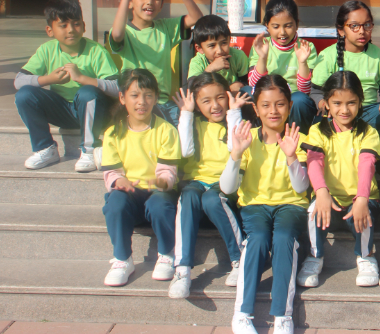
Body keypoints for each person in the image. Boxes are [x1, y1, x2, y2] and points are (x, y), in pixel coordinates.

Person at [220, 75, 309, 334]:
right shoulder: (246, 138)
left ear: (290, 106)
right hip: (255, 206)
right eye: (266, 105)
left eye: (280, 104)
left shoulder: (298, 138)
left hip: (291, 205)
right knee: (257, 239)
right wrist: (236, 153)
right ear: (256, 109)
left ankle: (283, 315)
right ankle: (241, 314)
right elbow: (227, 188)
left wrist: (291, 157)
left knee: (283, 239)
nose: (273, 111)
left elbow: (301, 188)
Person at [297, 71, 380, 289]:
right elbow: (314, 162)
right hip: (330, 200)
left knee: (364, 212)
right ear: (326, 103)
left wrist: (362, 198)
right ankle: (315, 256)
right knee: (313, 209)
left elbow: (367, 164)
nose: (344, 110)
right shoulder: (317, 131)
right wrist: (321, 192)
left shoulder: (368, 132)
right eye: (337, 103)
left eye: (351, 103)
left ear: (360, 102)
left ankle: (366, 255)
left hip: (360, 200)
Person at [14, 0, 119, 172]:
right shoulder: (46, 50)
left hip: (93, 113)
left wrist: (82, 78)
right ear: (50, 30)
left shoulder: (96, 51)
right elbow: (19, 81)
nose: (71, 30)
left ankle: (89, 149)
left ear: (84, 26)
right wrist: (49, 79)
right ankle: (45, 148)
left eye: (76, 24)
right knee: (24, 95)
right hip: (62, 111)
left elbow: (117, 87)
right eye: (63, 25)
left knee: (87, 92)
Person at [168, 73, 246, 299]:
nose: (215, 105)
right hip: (197, 181)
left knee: (212, 199)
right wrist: (186, 113)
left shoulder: (235, 122)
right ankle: (182, 269)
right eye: (206, 100)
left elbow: (234, 146)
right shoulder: (193, 124)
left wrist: (234, 112)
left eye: (220, 97)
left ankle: (239, 258)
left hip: (226, 182)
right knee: (188, 196)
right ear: (196, 103)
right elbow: (184, 151)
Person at [100, 69, 181, 287]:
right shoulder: (113, 132)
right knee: (115, 202)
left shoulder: (166, 130)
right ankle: (122, 259)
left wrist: (162, 181)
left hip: (158, 192)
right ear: (122, 97)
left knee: (160, 204)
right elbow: (111, 172)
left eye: (148, 95)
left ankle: (166, 253)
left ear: (155, 98)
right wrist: (119, 181)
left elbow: (168, 171)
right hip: (130, 194)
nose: (141, 102)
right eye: (134, 95)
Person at [109, 0, 203, 126]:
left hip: (163, 102)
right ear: (130, 3)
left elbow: (197, 19)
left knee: (182, 133)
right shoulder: (126, 32)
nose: (149, 2)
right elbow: (117, 35)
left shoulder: (165, 28)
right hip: (138, 102)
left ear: (161, 5)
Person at [311, 0, 380, 139]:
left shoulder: (379, 56)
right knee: (321, 124)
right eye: (354, 26)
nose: (362, 31)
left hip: (368, 111)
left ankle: (379, 147)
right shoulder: (327, 56)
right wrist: (324, 103)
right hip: (338, 112)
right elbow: (315, 91)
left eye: (367, 25)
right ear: (341, 30)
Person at [248, 0, 318, 133]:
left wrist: (302, 62)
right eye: (276, 27)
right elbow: (254, 85)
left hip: (293, 98)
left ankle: (298, 138)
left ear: (297, 24)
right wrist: (262, 57)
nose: (282, 32)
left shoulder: (306, 47)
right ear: (267, 25)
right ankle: (256, 137)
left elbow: (305, 91)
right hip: (267, 98)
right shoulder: (261, 46)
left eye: (288, 26)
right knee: (245, 93)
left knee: (299, 100)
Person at [187, 15, 250, 93]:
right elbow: (192, 88)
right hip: (210, 98)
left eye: (224, 43)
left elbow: (248, 81)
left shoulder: (238, 56)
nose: (219, 51)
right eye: (212, 45)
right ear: (200, 48)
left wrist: (241, 84)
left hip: (233, 96)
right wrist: (210, 70)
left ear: (229, 40)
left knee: (248, 90)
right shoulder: (197, 62)